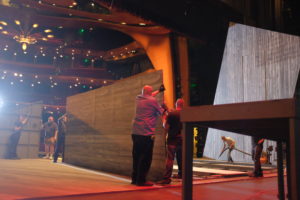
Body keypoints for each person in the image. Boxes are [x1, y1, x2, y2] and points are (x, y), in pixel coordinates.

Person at [131, 84, 165, 186]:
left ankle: (135, 179)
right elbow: (161, 112)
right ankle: (141, 181)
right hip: (146, 134)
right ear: (150, 93)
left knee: (136, 157)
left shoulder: (138, 98)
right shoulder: (152, 101)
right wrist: (164, 108)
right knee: (145, 158)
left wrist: (158, 91)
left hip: (135, 133)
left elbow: (149, 95)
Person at [157, 98, 184, 185]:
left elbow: (166, 126)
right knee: (181, 158)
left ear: (176, 104)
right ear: (183, 105)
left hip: (172, 140)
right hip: (182, 140)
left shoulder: (172, 114)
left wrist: (164, 118)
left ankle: (166, 179)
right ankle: (181, 174)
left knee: (170, 159)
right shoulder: (186, 114)